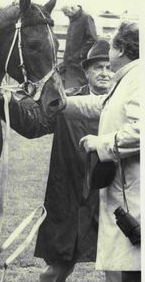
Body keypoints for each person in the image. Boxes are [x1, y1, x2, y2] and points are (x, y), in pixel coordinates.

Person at [0, 39, 113, 282]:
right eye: (98, 68)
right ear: (86, 72)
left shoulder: (128, 104)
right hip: (70, 195)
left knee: (121, 268)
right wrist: (5, 103)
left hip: (112, 195)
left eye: (109, 67)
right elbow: (34, 125)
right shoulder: (62, 101)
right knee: (57, 269)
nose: (105, 73)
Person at [66, 21, 140, 282]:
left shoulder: (138, 80)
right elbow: (102, 105)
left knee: (134, 267)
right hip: (125, 192)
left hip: (134, 193)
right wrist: (61, 102)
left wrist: (101, 144)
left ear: (120, 49)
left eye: (110, 48)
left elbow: (141, 131)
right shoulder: (129, 78)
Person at [60, 4, 97, 89]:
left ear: (72, 8)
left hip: (79, 61)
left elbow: (92, 39)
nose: (65, 15)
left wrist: (80, 54)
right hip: (69, 61)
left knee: (80, 84)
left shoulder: (86, 18)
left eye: (66, 12)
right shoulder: (73, 18)